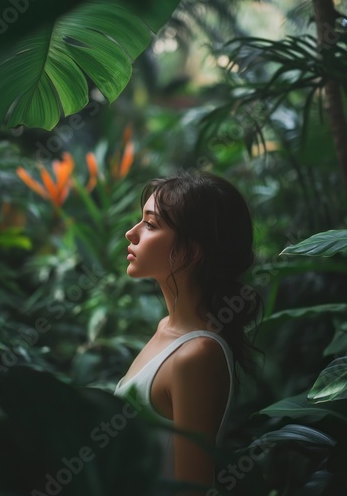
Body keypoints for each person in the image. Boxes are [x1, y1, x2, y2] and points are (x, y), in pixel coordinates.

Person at [114, 170, 261, 495]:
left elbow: (192, 489)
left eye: (150, 225)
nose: (131, 233)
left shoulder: (197, 355)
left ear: (192, 251)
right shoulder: (166, 329)